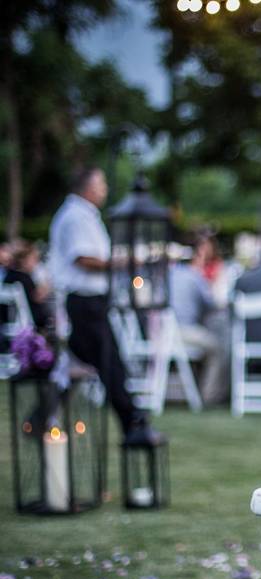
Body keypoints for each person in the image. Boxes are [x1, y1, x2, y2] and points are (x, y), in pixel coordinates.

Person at [48, 167, 161, 445]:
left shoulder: (83, 215)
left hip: (90, 302)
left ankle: (41, 419)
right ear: (87, 186)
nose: (105, 189)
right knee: (110, 364)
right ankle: (133, 424)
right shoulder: (76, 217)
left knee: (85, 363)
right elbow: (84, 258)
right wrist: (122, 262)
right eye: (101, 183)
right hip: (84, 302)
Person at [169, 236, 228, 405]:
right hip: (183, 332)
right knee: (218, 348)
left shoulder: (167, 274)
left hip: (160, 334)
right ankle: (210, 396)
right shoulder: (194, 276)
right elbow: (211, 303)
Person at [3, 240, 52, 330]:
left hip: (7, 320)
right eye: (34, 260)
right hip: (29, 319)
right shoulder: (24, 278)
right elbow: (38, 297)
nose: (36, 263)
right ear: (24, 261)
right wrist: (47, 286)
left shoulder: (9, 275)